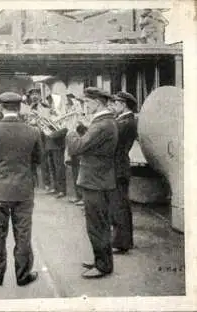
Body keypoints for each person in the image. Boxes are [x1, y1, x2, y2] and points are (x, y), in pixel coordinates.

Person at [0, 92, 41, 286]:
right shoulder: (33, 131)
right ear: (19, 108)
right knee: (23, 234)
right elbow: (39, 159)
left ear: (1, 108)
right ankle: (23, 276)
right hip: (23, 191)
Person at [66, 87, 118, 279]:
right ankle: (101, 261)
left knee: (96, 225)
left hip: (95, 181)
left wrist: (71, 129)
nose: (84, 106)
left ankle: (103, 265)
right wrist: (82, 128)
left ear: (96, 102)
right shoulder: (104, 122)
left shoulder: (101, 124)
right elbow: (93, 142)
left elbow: (77, 147)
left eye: (87, 102)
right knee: (99, 224)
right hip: (99, 179)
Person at [109, 91, 138, 254]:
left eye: (116, 103)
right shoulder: (124, 120)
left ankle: (122, 242)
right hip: (120, 166)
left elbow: (112, 140)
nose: (113, 106)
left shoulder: (125, 122)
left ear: (123, 104)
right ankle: (124, 240)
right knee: (121, 205)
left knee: (119, 205)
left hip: (118, 167)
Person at [26, 87, 53, 191]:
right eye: (32, 95)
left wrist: (38, 119)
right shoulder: (29, 107)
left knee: (45, 158)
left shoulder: (45, 105)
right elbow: (27, 119)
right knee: (33, 158)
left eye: (36, 94)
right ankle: (35, 181)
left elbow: (48, 119)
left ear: (40, 96)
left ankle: (47, 183)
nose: (34, 96)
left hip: (43, 134)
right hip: (32, 134)